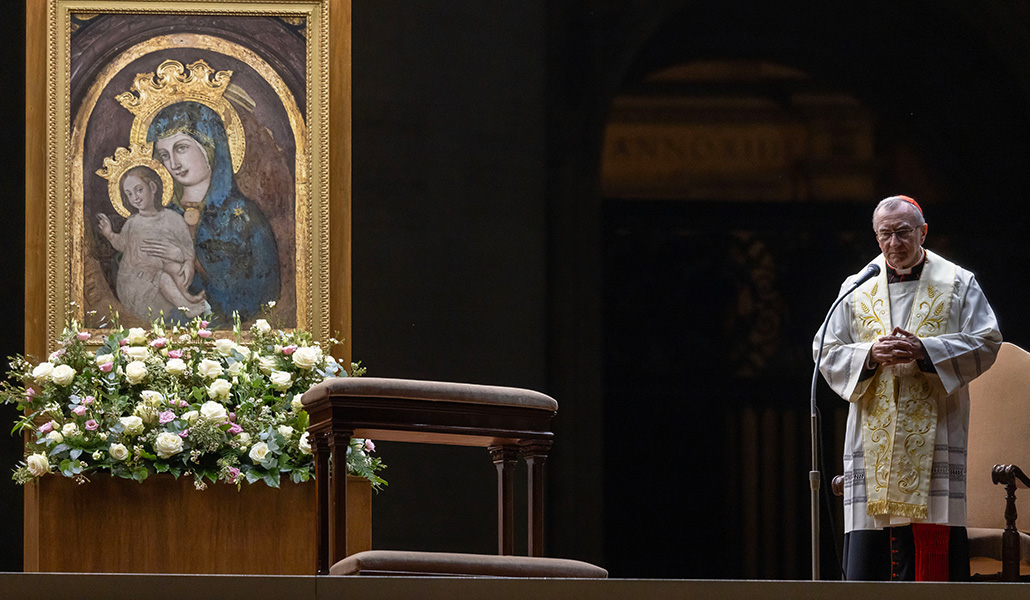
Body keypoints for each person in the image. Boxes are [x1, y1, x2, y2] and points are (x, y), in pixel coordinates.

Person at [814, 195, 1002, 581]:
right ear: (875, 235)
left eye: (903, 233)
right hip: (872, 437)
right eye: (885, 234)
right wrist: (870, 353)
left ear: (923, 232)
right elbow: (825, 350)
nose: (894, 243)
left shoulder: (957, 281)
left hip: (935, 433)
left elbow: (987, 340)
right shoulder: (856, 286)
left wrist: (925, 350)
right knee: (872, 556)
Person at [147, 101, 281, 324]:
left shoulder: (244, 217)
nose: (173, 163)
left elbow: (263, 291)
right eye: (164, 155)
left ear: (209, 147)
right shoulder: (158, 215)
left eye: (181, 148)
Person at [96, 165, 207, 322]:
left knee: (175, 268)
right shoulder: (133, 222)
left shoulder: (173, 219)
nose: (135, 197)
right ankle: (187, 307)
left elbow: (187, 247)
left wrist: (187, 261)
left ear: (153, 187)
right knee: (163, 277)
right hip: (136, 281)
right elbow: (121, 245)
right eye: (129, 194)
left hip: (160, 271)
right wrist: (109, 234)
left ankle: (187, 297)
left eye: (139, 190)